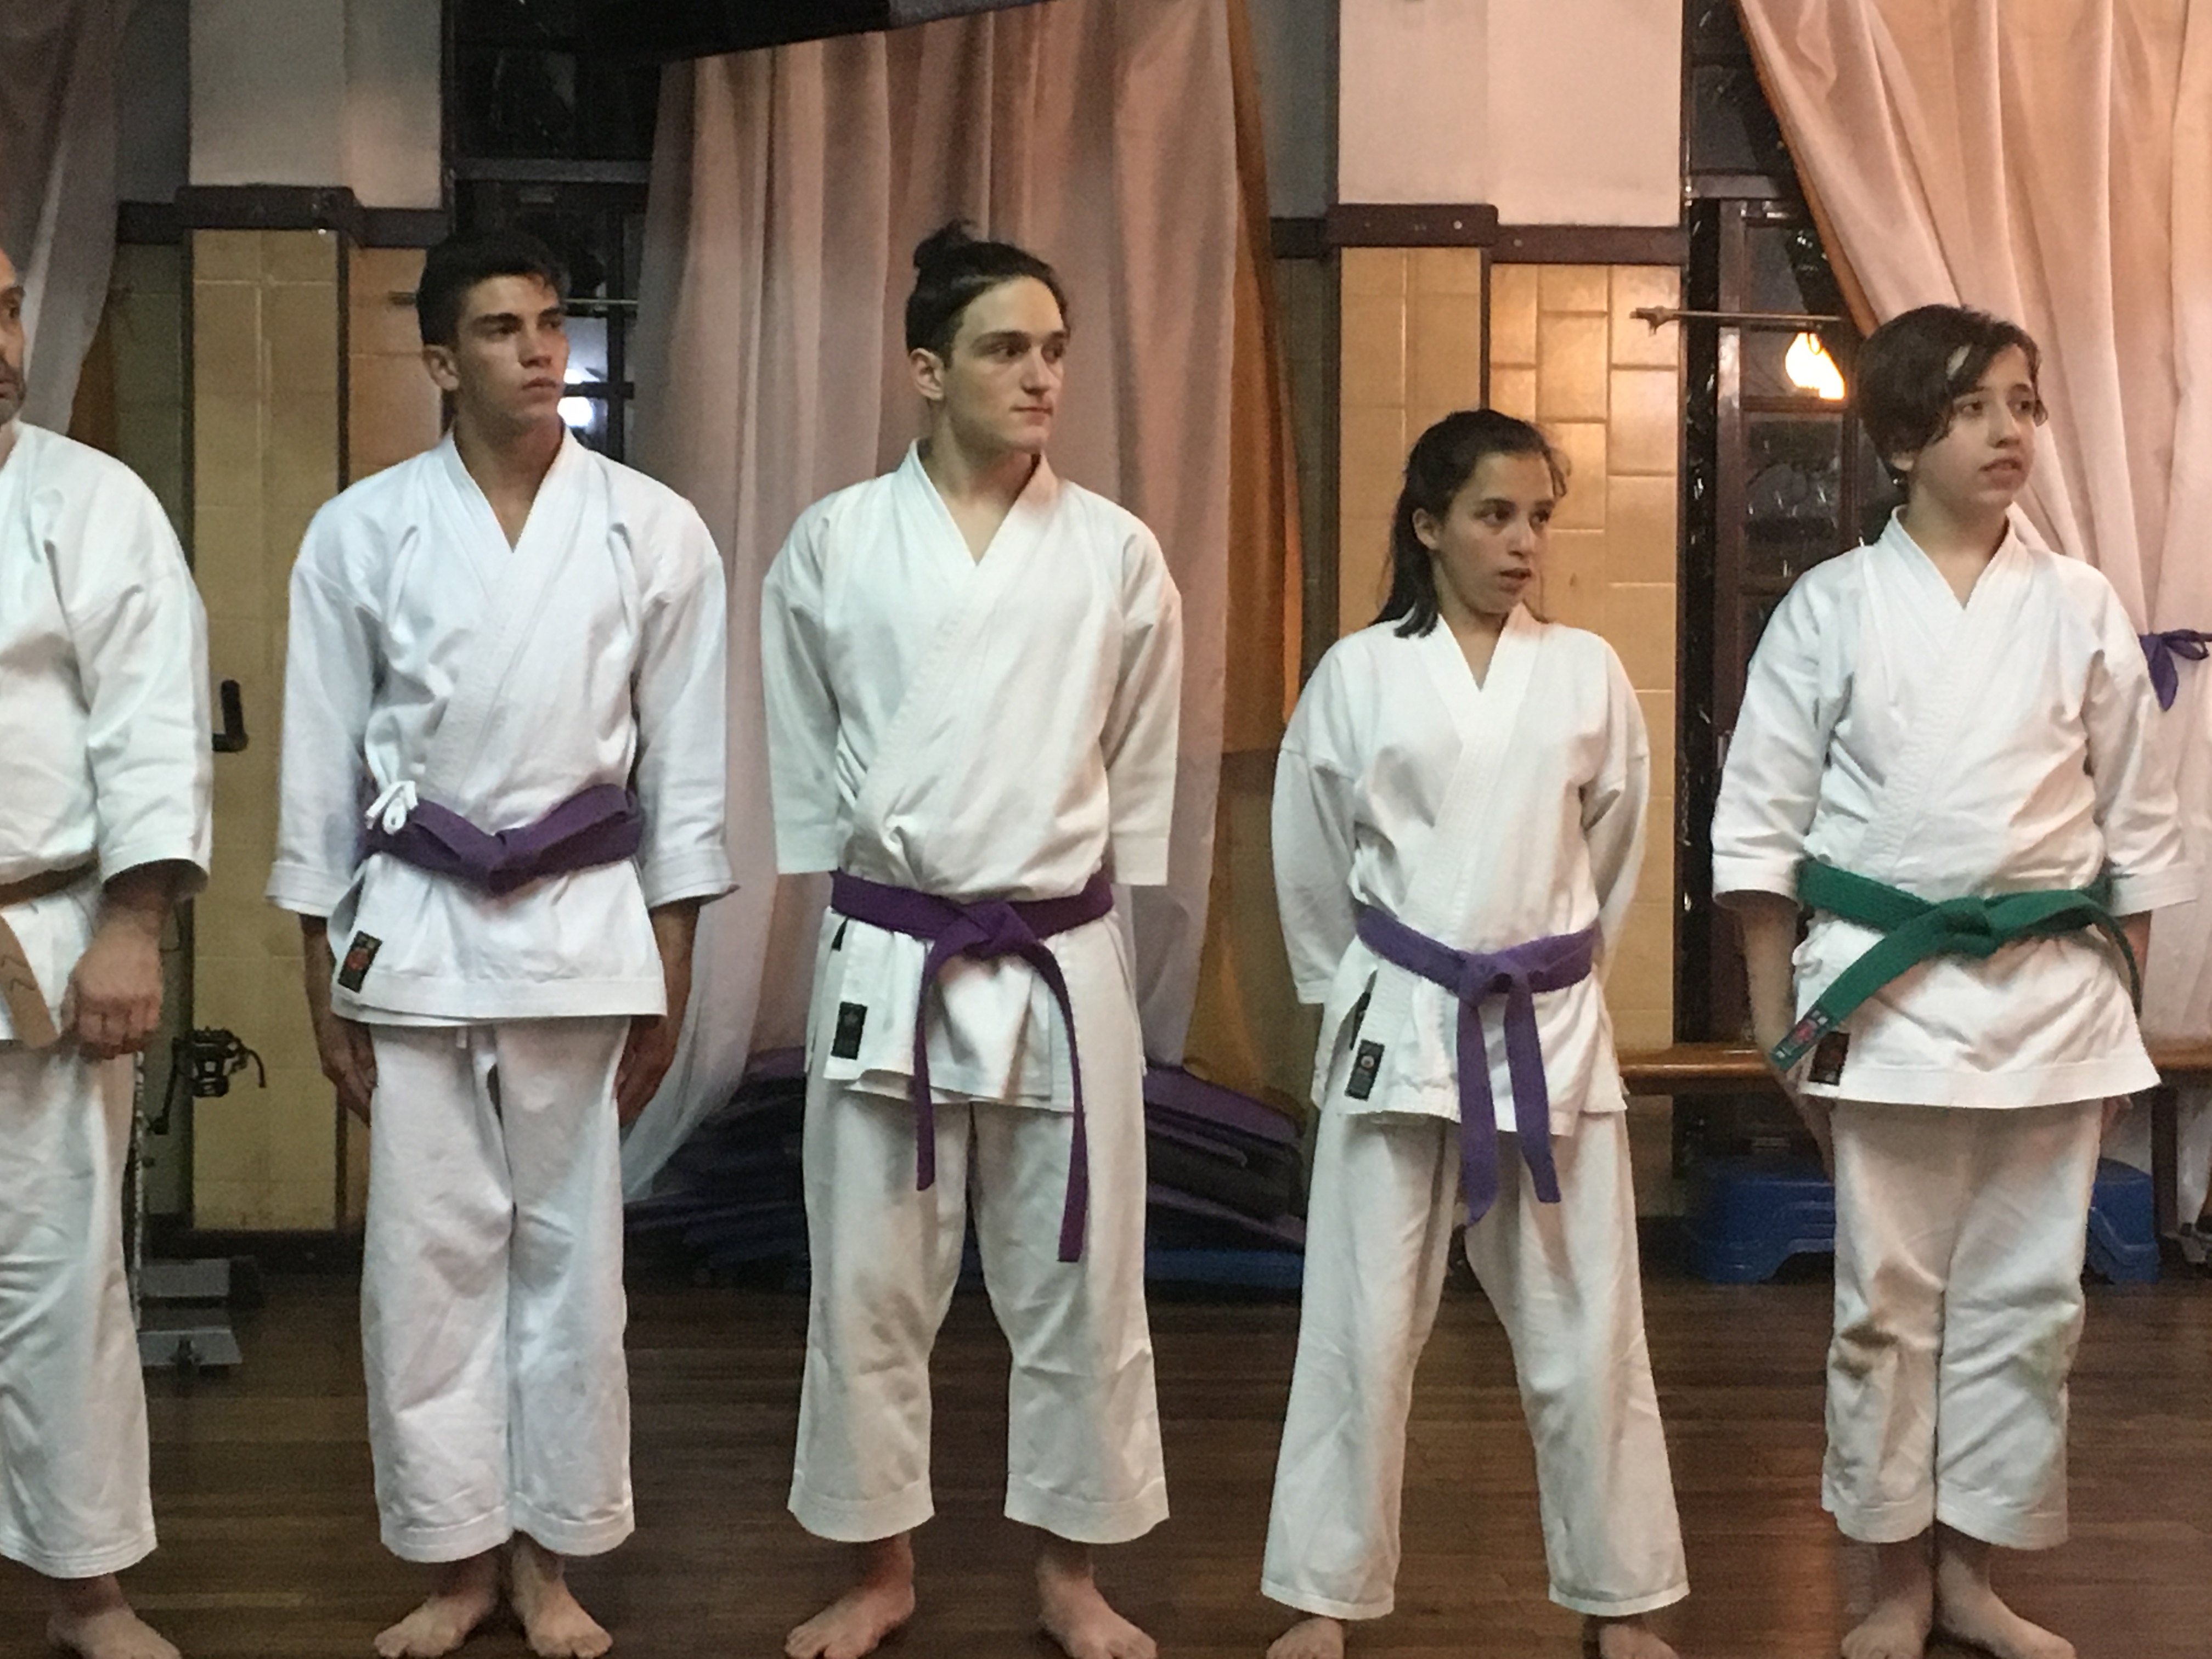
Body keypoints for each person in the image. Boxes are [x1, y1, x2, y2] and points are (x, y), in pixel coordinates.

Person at [267, 229, 732, 1659]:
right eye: (499, 328)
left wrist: (673, 954)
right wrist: (318, 963)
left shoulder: (653, 530)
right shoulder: (361, 533)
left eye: (549, 322)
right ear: (438, 360)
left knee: (571, 1263)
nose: (538, 350)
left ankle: (552, 1560)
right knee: (427, 1263)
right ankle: (455, 1561)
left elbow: (688, 772)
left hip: (583, 928)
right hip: (413, 927)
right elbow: (320, 763)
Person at [1712, 304, 2190, 1659]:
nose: (2008, 432)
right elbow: (1761, 829)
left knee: (2031, 1307)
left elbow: (2139, 832)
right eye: (1975, 407)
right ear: (1905, 435)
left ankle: (1972, 1576)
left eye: (2024, 405)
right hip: (1882, 1001)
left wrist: (2118, 1016)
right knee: (1885, 1305)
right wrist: (1779, 1030)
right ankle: (1893, 1585)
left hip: (2055, 1000)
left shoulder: (2078, 603)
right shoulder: (1831, 607)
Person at [760, 222, 1182, 1659]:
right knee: (869, 1282)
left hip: (1060, 953)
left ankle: (1072, 1574)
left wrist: (1101, 886)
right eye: (1007, 349)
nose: (1041, 375)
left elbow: (1139, 764)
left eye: (1056, 349)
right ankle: (880, 1568)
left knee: (1081, 1281)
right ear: (928, 370)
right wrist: (845, 883)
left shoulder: (1116, 552)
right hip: (896, 949)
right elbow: (807, 752)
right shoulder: (834, 543)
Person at [1259, 410, 1686, 1659]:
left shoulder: (1587, 673)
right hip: (1400, 1016)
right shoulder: (1357, 675)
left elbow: (1612, 851)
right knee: (1360, 1324)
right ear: (1429, 525)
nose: (1522, 543)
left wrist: (1556, 971)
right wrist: (1347, 996)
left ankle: (1618, 1595)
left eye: (1539, 517)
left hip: (1544, 1026)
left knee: (1588, 1328)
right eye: (1495, 515)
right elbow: (1309, 858)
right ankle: (1325, 1596)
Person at [0, 247, 211, 1659]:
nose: (0, 341)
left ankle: (86, 1592)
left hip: (42, 928)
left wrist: (133, 925)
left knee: (57, 1277)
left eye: (7, 307)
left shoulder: (92, 503)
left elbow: (152, 726)